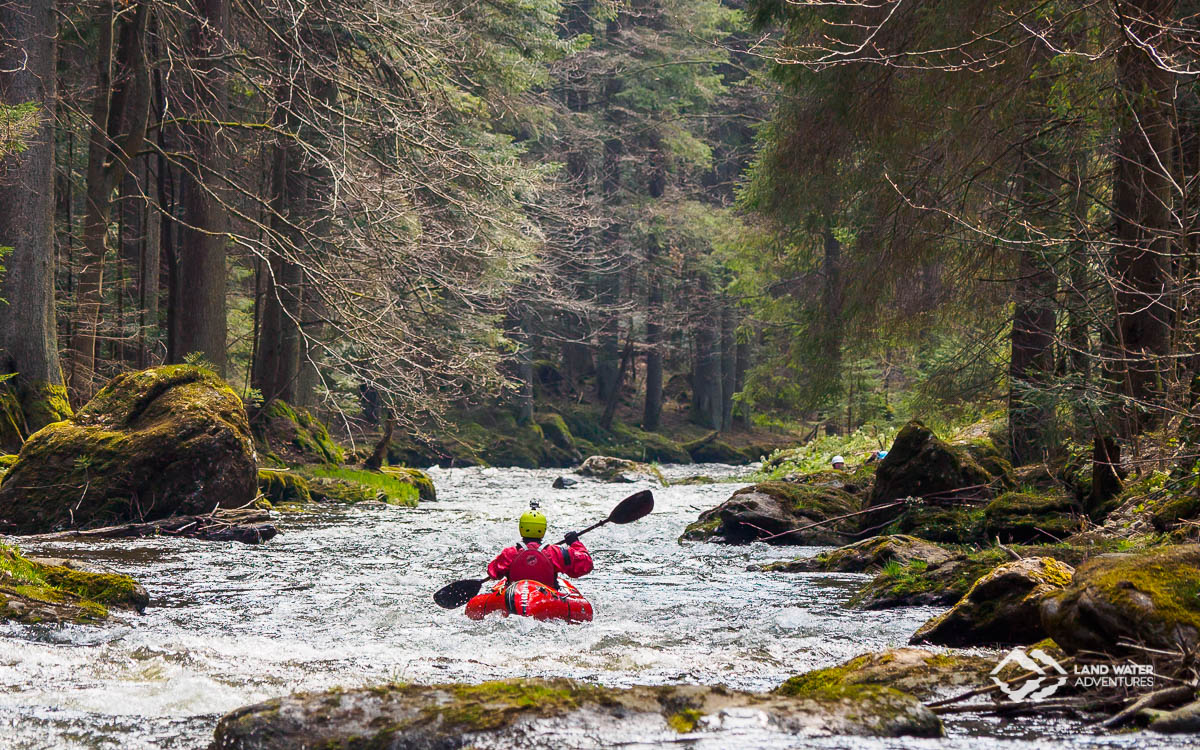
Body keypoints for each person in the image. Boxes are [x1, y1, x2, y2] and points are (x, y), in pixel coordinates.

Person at [487, 505, 593, 589]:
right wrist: (574, 542)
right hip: (547, 599)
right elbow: (586, 564)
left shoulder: (509, 553)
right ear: (543, 529)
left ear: (521, 528)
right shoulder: (555, 552)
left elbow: (493, 573)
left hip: (515, 597)